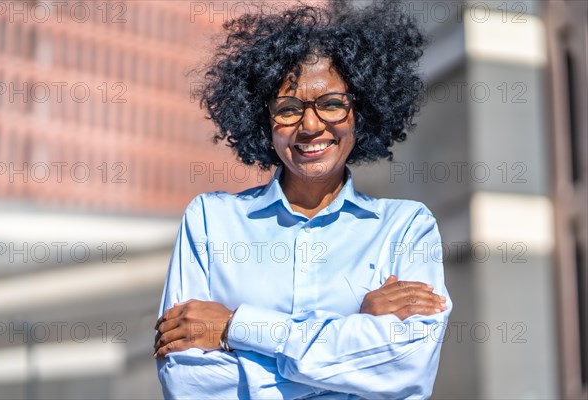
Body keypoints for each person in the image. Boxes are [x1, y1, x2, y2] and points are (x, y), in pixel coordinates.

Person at [154, 1, 452, 398]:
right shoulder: (210, 220)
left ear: (360, 113)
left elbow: (406, 366)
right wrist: (351, 347)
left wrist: (236, 328)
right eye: (289, 109)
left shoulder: (406, 227)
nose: (310, 126)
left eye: (331, 104)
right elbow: (189, 381)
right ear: (264, 122)